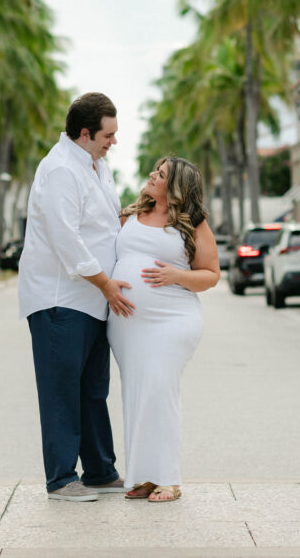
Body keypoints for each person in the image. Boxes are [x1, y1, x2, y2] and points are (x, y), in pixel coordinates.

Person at [17, 92, 135, 502]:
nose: (114, 142)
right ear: (85, 133)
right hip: (60, 300)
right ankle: (62, 479)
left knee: (93, 389)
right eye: (108, 135)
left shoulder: (97, 165)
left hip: (92, 301)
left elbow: (102, 224)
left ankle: (100, 471)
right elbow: (65, 238)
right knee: (61, 391)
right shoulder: (61, 170)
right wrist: (105, 283)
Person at [109, 157, 220, 503]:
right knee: (137, 394)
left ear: (176, 187)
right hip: (128, 324)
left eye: (160, 174)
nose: (152, 175)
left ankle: (168, 479)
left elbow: (211, 274)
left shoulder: (192, 223)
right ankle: (144, 476)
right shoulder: (130, 215)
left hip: (173, 319)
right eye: (155, 171)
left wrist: (177, 275)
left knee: (160, 389)